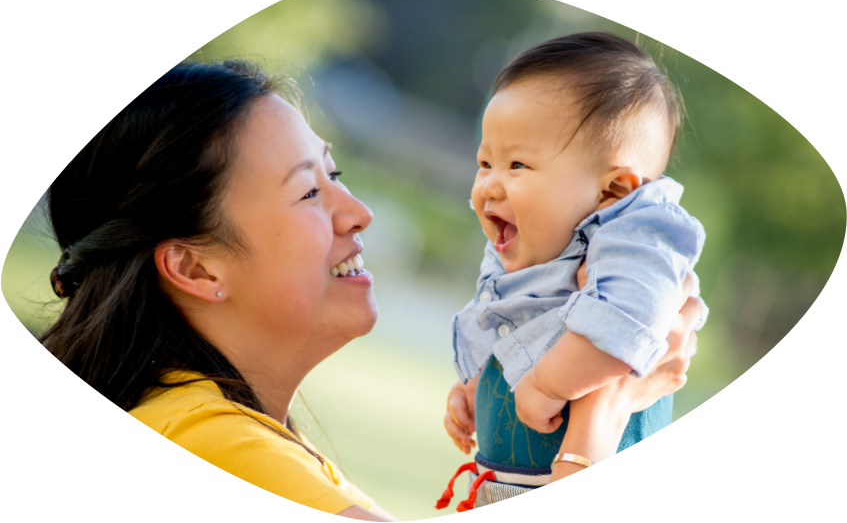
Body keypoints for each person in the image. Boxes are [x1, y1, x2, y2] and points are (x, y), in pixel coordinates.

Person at [41, 59, 699, 522]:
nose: (359, 212)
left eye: (336, 173)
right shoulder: (216, 446)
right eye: (308, 190)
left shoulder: (200, 420)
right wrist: (614, 395)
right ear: (196, 267)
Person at [440, 32, 708, 510]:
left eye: (517, 164)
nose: (488, 186)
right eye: (485, 162)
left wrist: (547, 385)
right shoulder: (528, 246)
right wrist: (477, 386)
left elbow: (628, 318)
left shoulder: (636, 237)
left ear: (613, 192)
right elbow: (510, 321)